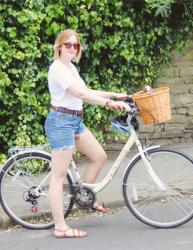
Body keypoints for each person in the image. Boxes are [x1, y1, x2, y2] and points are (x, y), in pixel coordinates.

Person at [44, 29, 131, 239]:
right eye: (68, 45)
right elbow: (81, 94)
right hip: (61, 122)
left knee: (99, 156)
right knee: (58, 176)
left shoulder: (71, 68)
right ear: (59, 46)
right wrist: (110, 104)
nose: (72, 48)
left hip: (74, 121)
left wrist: (115, 94)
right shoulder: (58, 69)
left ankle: (85, 198)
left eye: (76, 45)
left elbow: (88, 90)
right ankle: (60, 227)